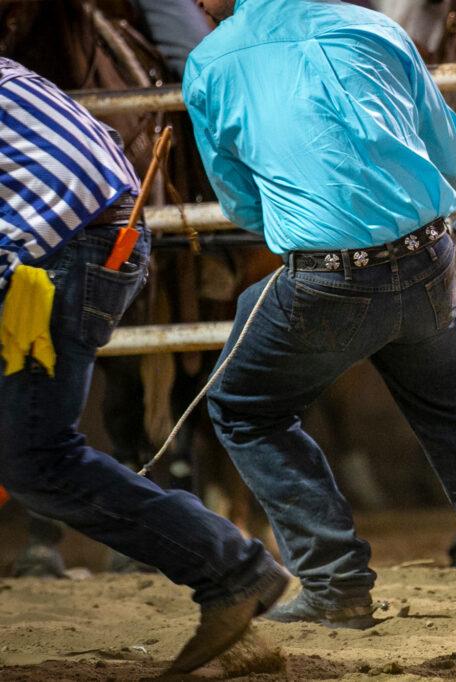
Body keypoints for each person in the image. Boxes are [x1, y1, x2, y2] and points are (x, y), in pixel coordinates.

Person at [183, 0, 456, 626]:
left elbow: (240, 201)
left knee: (243, 407)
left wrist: (300, 219)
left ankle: (335, 582)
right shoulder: (376, 27)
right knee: (452, 418)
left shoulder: (210, 62)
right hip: (426, 262)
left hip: (327, 280)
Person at [0, 57, 288, 675]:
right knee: (34, 455)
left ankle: (231, 569)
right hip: (91, 237)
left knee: (37, 459)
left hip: (62, 248)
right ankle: (230, 570)